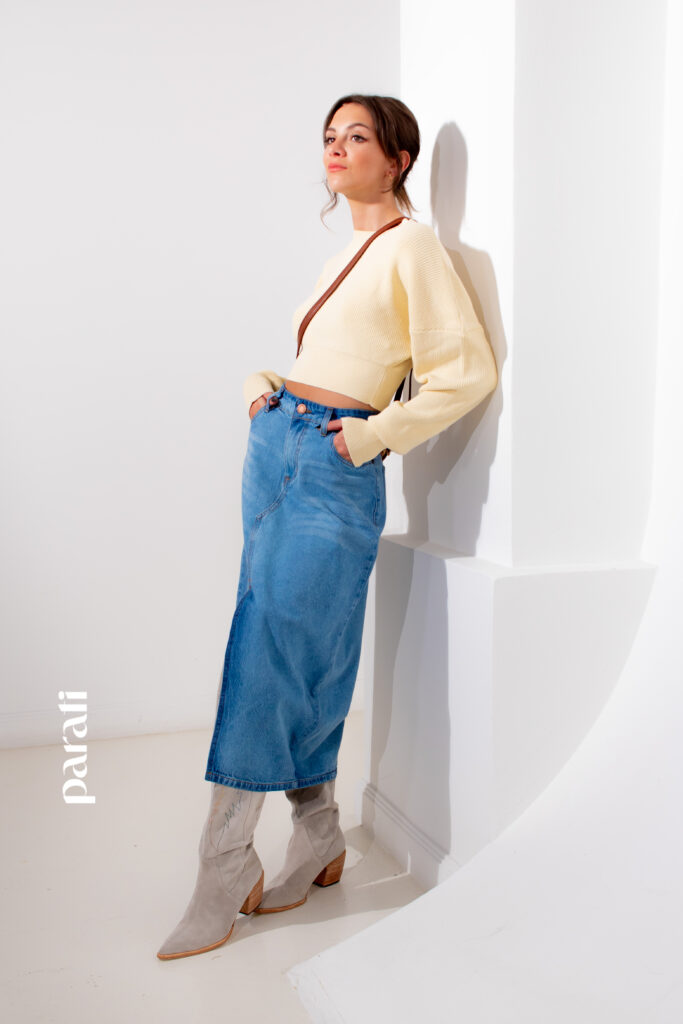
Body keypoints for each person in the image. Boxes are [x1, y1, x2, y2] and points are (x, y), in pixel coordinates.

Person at [156, 93, 498, 961]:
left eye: (358, 137)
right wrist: (265, 388)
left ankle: (223, 860)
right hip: (280, 445)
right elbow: (330, 358)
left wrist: (375, 434)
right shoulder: (342, 250)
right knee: (301, 650)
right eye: (329, 137)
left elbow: (465, 370)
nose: (336, 149)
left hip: (332, 467)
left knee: (267, 648)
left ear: (397, 160)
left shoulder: (412, 244)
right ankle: (317, 834)